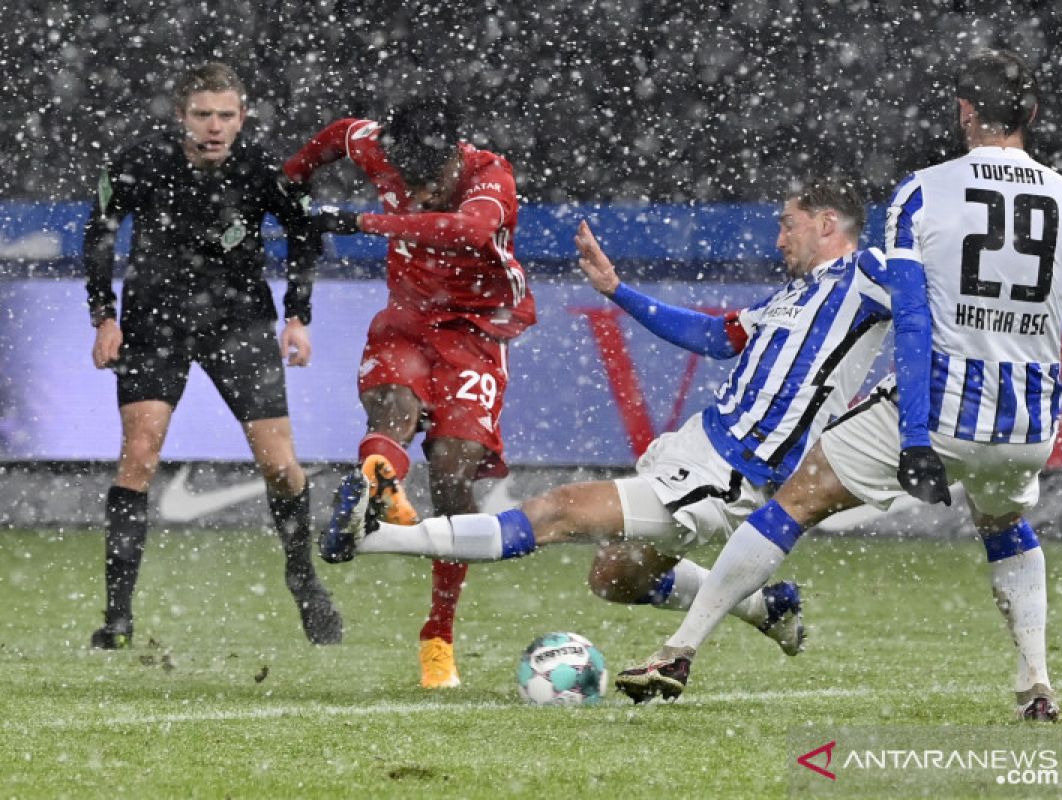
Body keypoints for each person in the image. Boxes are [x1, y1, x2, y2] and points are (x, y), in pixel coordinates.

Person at [612, 49, 1062, 719]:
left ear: (965, 112)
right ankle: (1035, 681)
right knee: (1004, 523)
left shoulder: (924, 191)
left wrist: (917, 437)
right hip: (1026, 428)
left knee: (798, 498)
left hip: (941, 411)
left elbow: (914, 325)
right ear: (1031, 114)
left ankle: (680, 651)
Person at [322, 178, 893, 661]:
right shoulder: (790, 297)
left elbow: (929, 298)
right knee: (615, 578)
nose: (778, 238)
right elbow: (716, 336)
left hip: (733, 474)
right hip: (697, 447)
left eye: (787, 224)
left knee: (558, 511)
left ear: (825, 224)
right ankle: (765, 605)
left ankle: (374, 539)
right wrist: (617, 290)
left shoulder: (871, 275)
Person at [84, 62, 342, 648]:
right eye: (203, 114)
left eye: (226, 115)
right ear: (181, 117)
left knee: (279, 465)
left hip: (238, 323)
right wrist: (104, 316)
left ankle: (303, 577)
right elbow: (100, 230)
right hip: (155, 324)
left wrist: (298, 313)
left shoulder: (263, 168)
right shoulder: (138, 162)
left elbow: (304, 233)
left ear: (242, 118)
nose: (215, 126)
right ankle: (117, 618)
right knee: (139, 457)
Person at [283, 97, 537, 688]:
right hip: (407, 320)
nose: (419, 196)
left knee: (453, 476)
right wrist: (288, 181)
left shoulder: (489, 177)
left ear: (454, 157)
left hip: (477, 331)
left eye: (430, 184)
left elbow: (470, 230)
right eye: (409, 185)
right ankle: (380, 482)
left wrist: (361, 221)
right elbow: (339, 134)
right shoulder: (378, 146)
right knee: (392, 404)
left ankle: (438, 633)